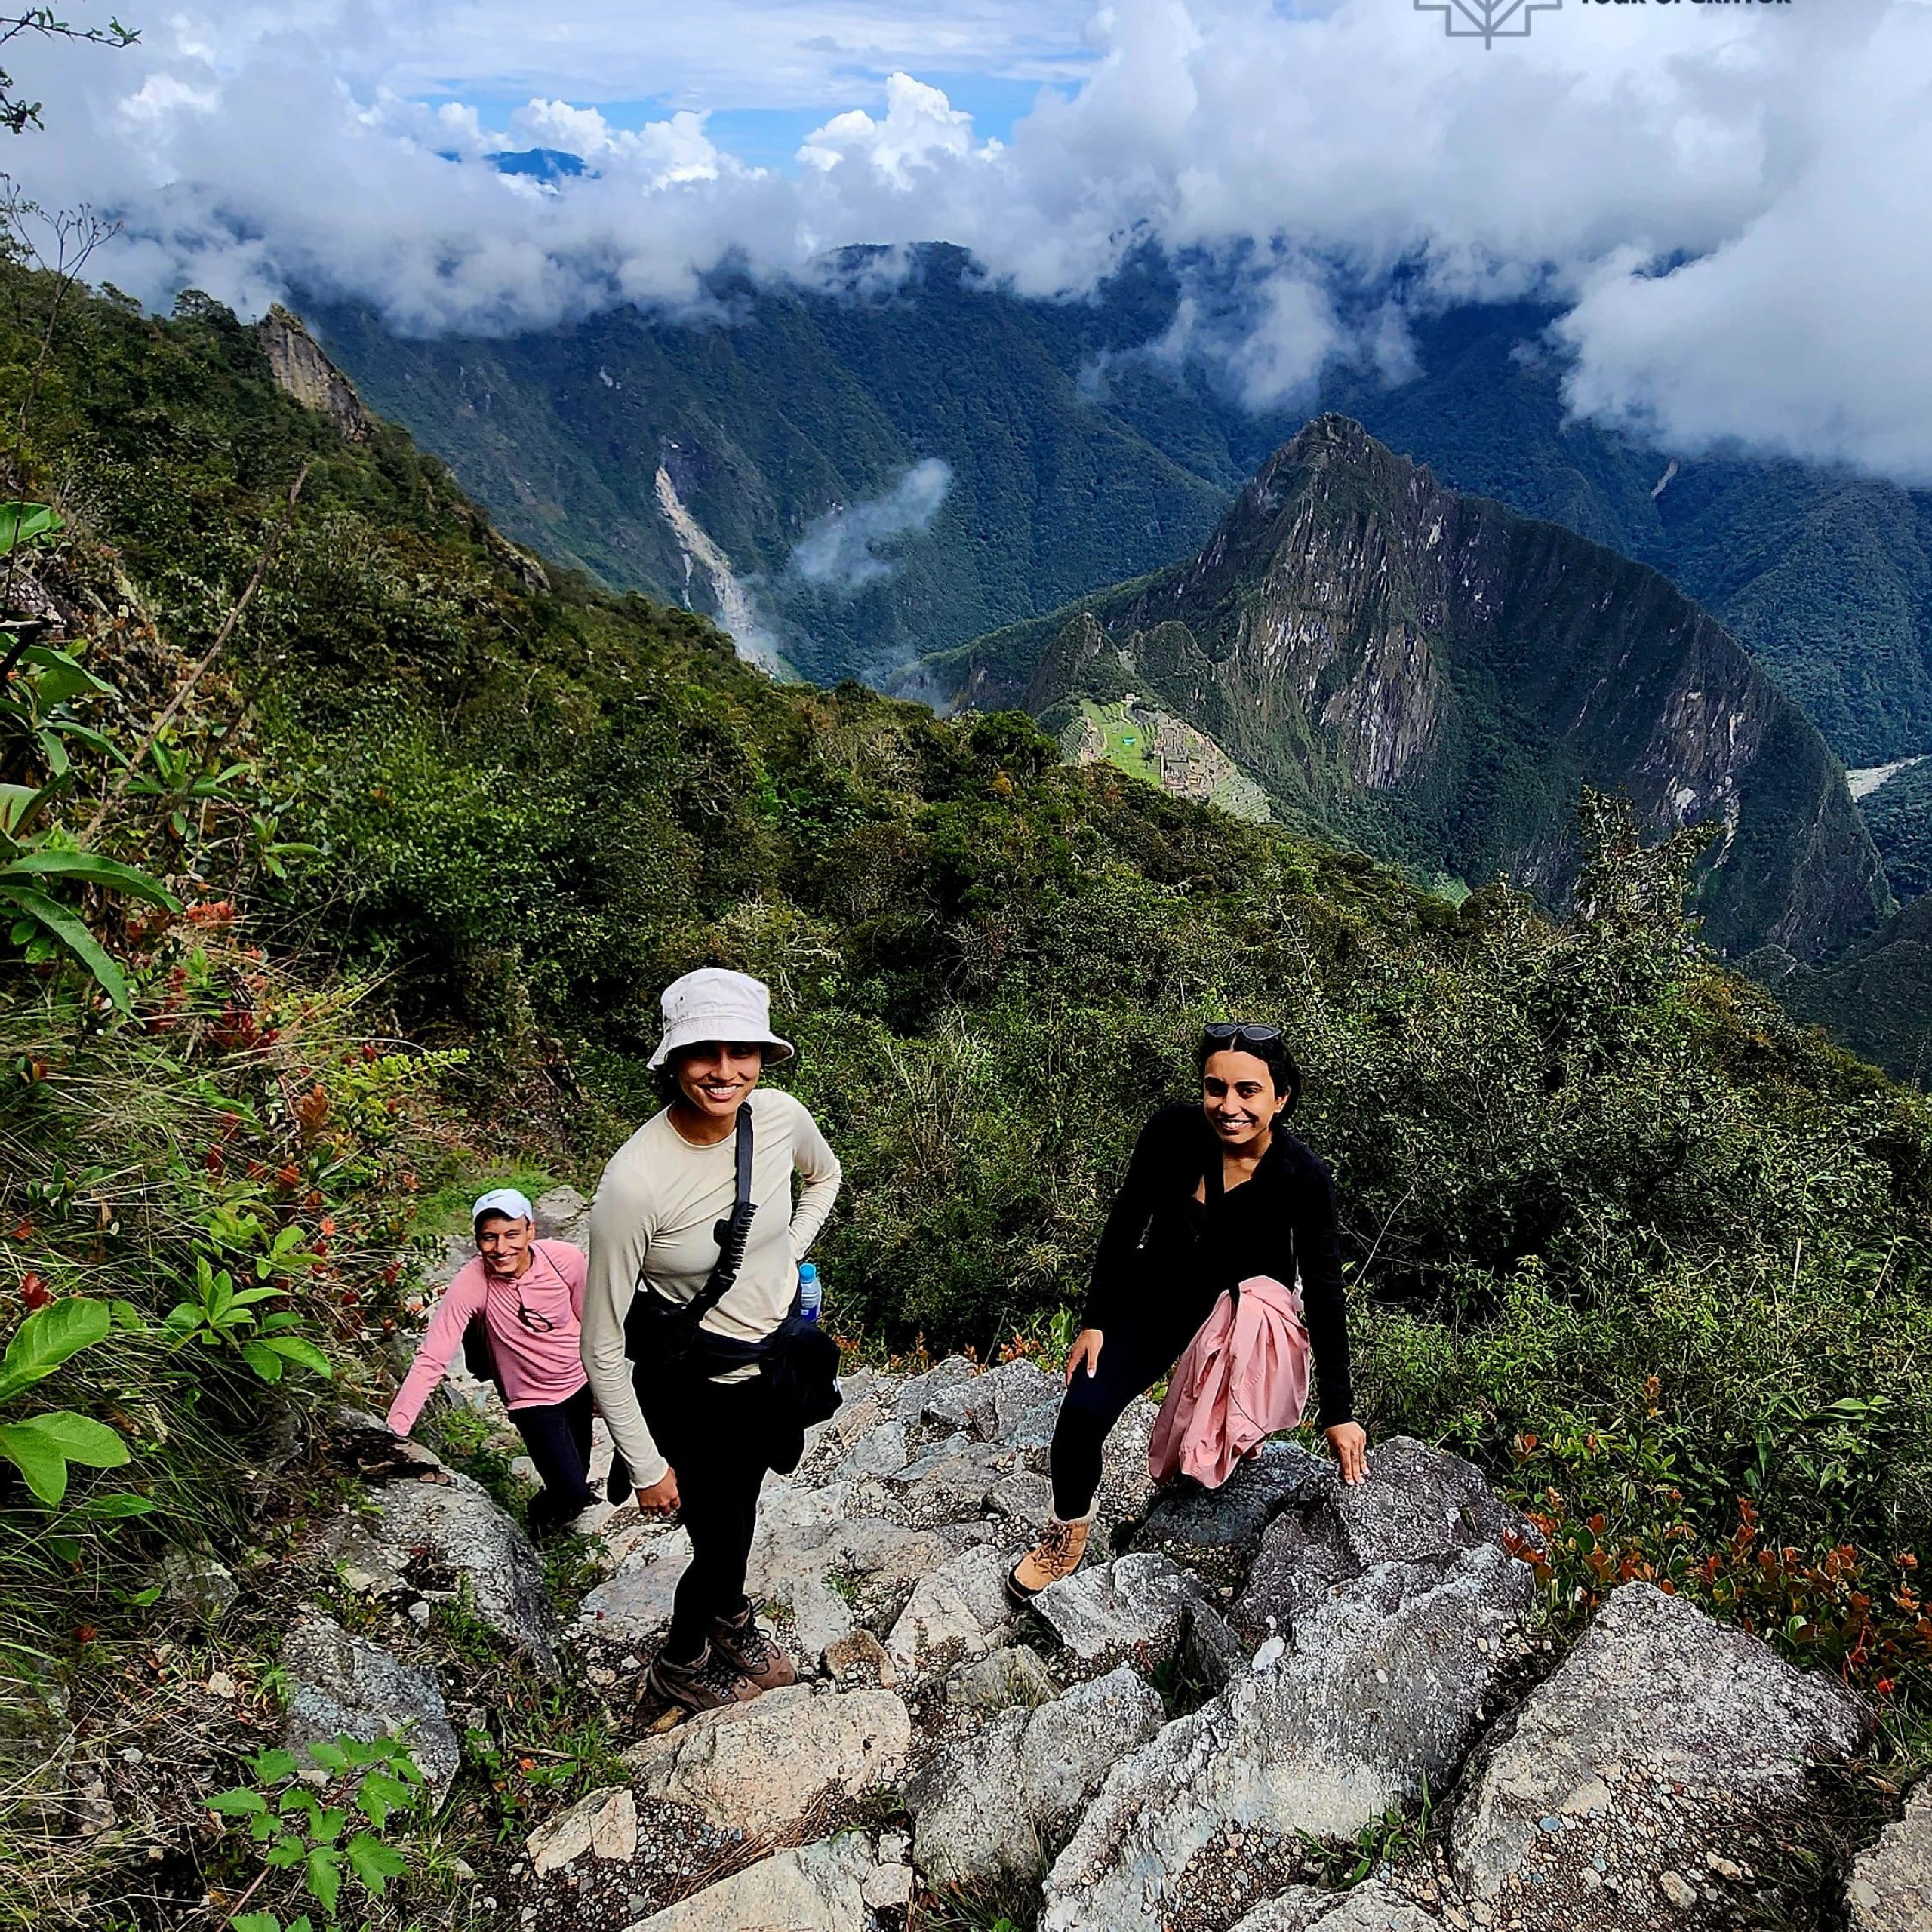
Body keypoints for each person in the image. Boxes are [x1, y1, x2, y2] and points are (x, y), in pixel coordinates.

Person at [1008, 1022, 1367, 1604]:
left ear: (1281, 1098)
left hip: (1241, 1312)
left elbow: (1325, 1291)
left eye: (1248, 1091)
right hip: (1161, 1292)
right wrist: (1095, 1320)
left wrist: (1340, 1412)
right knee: (1082, 1410)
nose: (1228, 1106)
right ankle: (1065, 1533)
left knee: (1209, 1443)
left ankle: (1225, 1442)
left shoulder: (1302, 1175)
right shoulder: (1173, 1132)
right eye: (1215, 1088)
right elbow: (1125, 1224)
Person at [581, 968, 842, 1714]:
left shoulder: (780, 1118)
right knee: (721, 1537)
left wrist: (786, 1252)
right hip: (692, 1390)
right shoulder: (635, 1184)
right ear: (673, 1059)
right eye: (704, 1051)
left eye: (742, 1051)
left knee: (742, 1514)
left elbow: (824, 1177)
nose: (724, 1071)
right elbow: (600, 1343)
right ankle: (681, 1660)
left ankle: (727, 1617)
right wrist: (645, 1463)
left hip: (771, 1368)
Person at [387, 1188, 598, 1533]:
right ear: (477, 1240)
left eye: (512, 1235)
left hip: (577, 1383)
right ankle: (538, 1524)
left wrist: (602, 1384)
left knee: (579, 1473)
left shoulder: (565, 1260)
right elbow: (433, 1357)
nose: (501, 1248)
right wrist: (395, 1430)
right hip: (531, 1400)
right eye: (489, 1238)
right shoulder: (471, 1283)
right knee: (571, 1489)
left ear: (531, 1231)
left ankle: (555, 1520)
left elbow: (590, 1322)